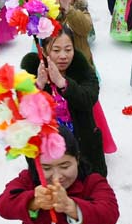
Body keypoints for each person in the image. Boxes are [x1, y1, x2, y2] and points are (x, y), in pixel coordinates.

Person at [0, 127, 120, 224]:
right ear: (34, 164)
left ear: (77, 159)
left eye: (65, 166)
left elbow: (109, 214)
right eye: (46, 168)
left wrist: (72, 207)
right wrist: (33, 201)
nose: (57, 177)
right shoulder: (28, 181)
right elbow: (3, 205)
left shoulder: (93, 182)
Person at [20, 28, 107, 175]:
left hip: (83, 147)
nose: (63, 56)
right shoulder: (30, 73)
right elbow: (22, 112)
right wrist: (38, 86)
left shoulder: (82, 69)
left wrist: (62, 83)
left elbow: (89, 98)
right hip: (48, 152)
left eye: (68, 49)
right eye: (56, 50)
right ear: (45, 51)